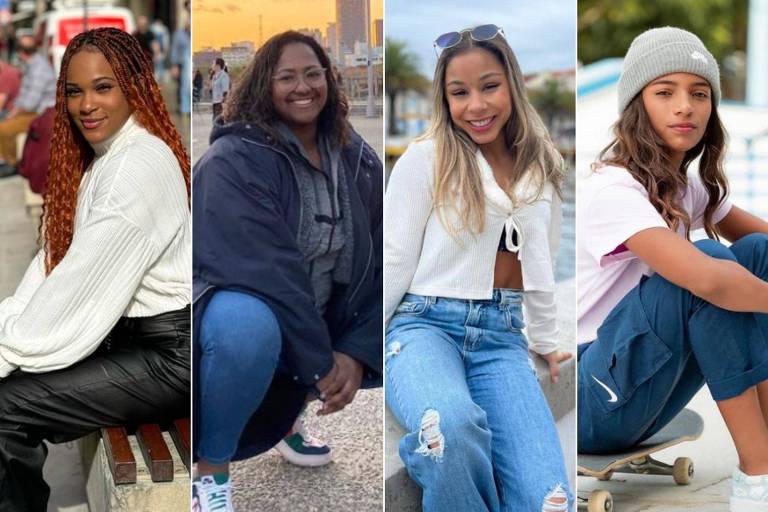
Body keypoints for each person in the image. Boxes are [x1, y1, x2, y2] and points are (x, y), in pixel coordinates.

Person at [576, 27, 768, 512]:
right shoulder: (612, 190)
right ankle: (758, 475)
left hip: (644, 389)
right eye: (665, 92)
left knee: (756, 253)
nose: (685, 106)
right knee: (709, 267)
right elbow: (706, 280)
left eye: (699, 93)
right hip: (590, 400)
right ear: (638, 106)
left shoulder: (685, 186)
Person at [0, 27, 190, 511]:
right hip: (133, 342)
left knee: (4, 407)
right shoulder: (109, 158)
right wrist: (8, 329)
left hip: (170, 359)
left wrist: (9, 348)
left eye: (103, 87)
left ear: (134, 87)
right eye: (75, 91)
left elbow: (73, 293)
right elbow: (53, 265)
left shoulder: (134, 167)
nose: (87, 104)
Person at [192, 30, 382, 512]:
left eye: (313, 74)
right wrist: (323, 363)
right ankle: (210, 475)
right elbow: (268, 273)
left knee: (343, 300)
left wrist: (355, 353)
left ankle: (287, 421)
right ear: (263, 86)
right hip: (242, 314)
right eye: (287, 77)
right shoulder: (232, 161)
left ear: (330, 81)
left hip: (311, 316)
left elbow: (384, 259)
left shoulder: (355, 158)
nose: (303, 87)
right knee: (248, 326)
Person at [385, 24, 572, 512]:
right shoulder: (427, 158)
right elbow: (395, 257)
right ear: (444, 99)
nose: (476, 105)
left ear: (511, 82)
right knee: (446, 429)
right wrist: (360, 347)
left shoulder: (542, 164)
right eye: (459, 92)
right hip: (424, 326)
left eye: (489, 86)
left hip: (503, 337)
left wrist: (547, 340)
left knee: (549, 501)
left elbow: (543, 262)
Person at [0, 35, 55, 178]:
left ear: (21, 52)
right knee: (4, 121)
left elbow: (31, 102)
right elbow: (23, 96)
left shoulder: (38, 68)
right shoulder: (31, 65)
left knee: (4, 129)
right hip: (33, 110)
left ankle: (11, 164)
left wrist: (13, 113)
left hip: (42, 113)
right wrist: (13, 110)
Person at [209, 57, 229, 122]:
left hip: (220, 103)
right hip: (215, 101)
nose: (212, 65)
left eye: (213, 63)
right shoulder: (214, 76)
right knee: (215, 120)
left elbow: (225, 90)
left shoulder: (224, 76)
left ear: (218, 66)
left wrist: (224, 102)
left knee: (218, 121)